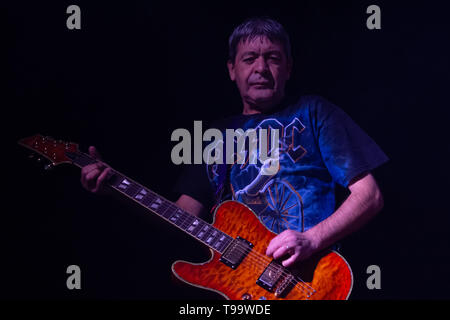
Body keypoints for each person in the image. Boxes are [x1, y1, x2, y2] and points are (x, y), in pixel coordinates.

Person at [81, 17, 388, 269]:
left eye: (273, 59)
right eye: (249, 59)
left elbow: (369, 195)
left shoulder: (315, 112)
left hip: (310, 276)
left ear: (288, 68)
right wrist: (115, 187)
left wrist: (310, 240)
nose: (261, 68)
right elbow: (181, 216)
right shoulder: (216, 136)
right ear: (232, 70)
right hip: (238, 284)